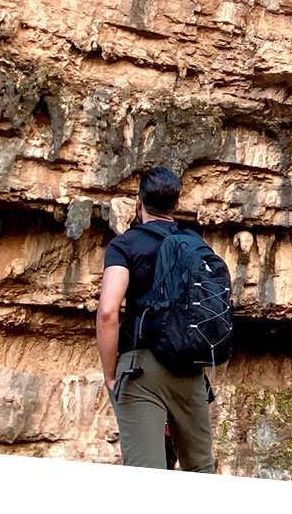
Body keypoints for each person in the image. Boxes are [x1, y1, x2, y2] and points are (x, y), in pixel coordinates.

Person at [97, 167, 215, 472]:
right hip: (189, 371)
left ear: (139, 202)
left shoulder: (124, 245)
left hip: (140, 369)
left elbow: (108, 312)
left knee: (145, 478)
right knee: (201, 471)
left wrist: (111, 374)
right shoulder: (196, 245)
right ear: (175, 206)